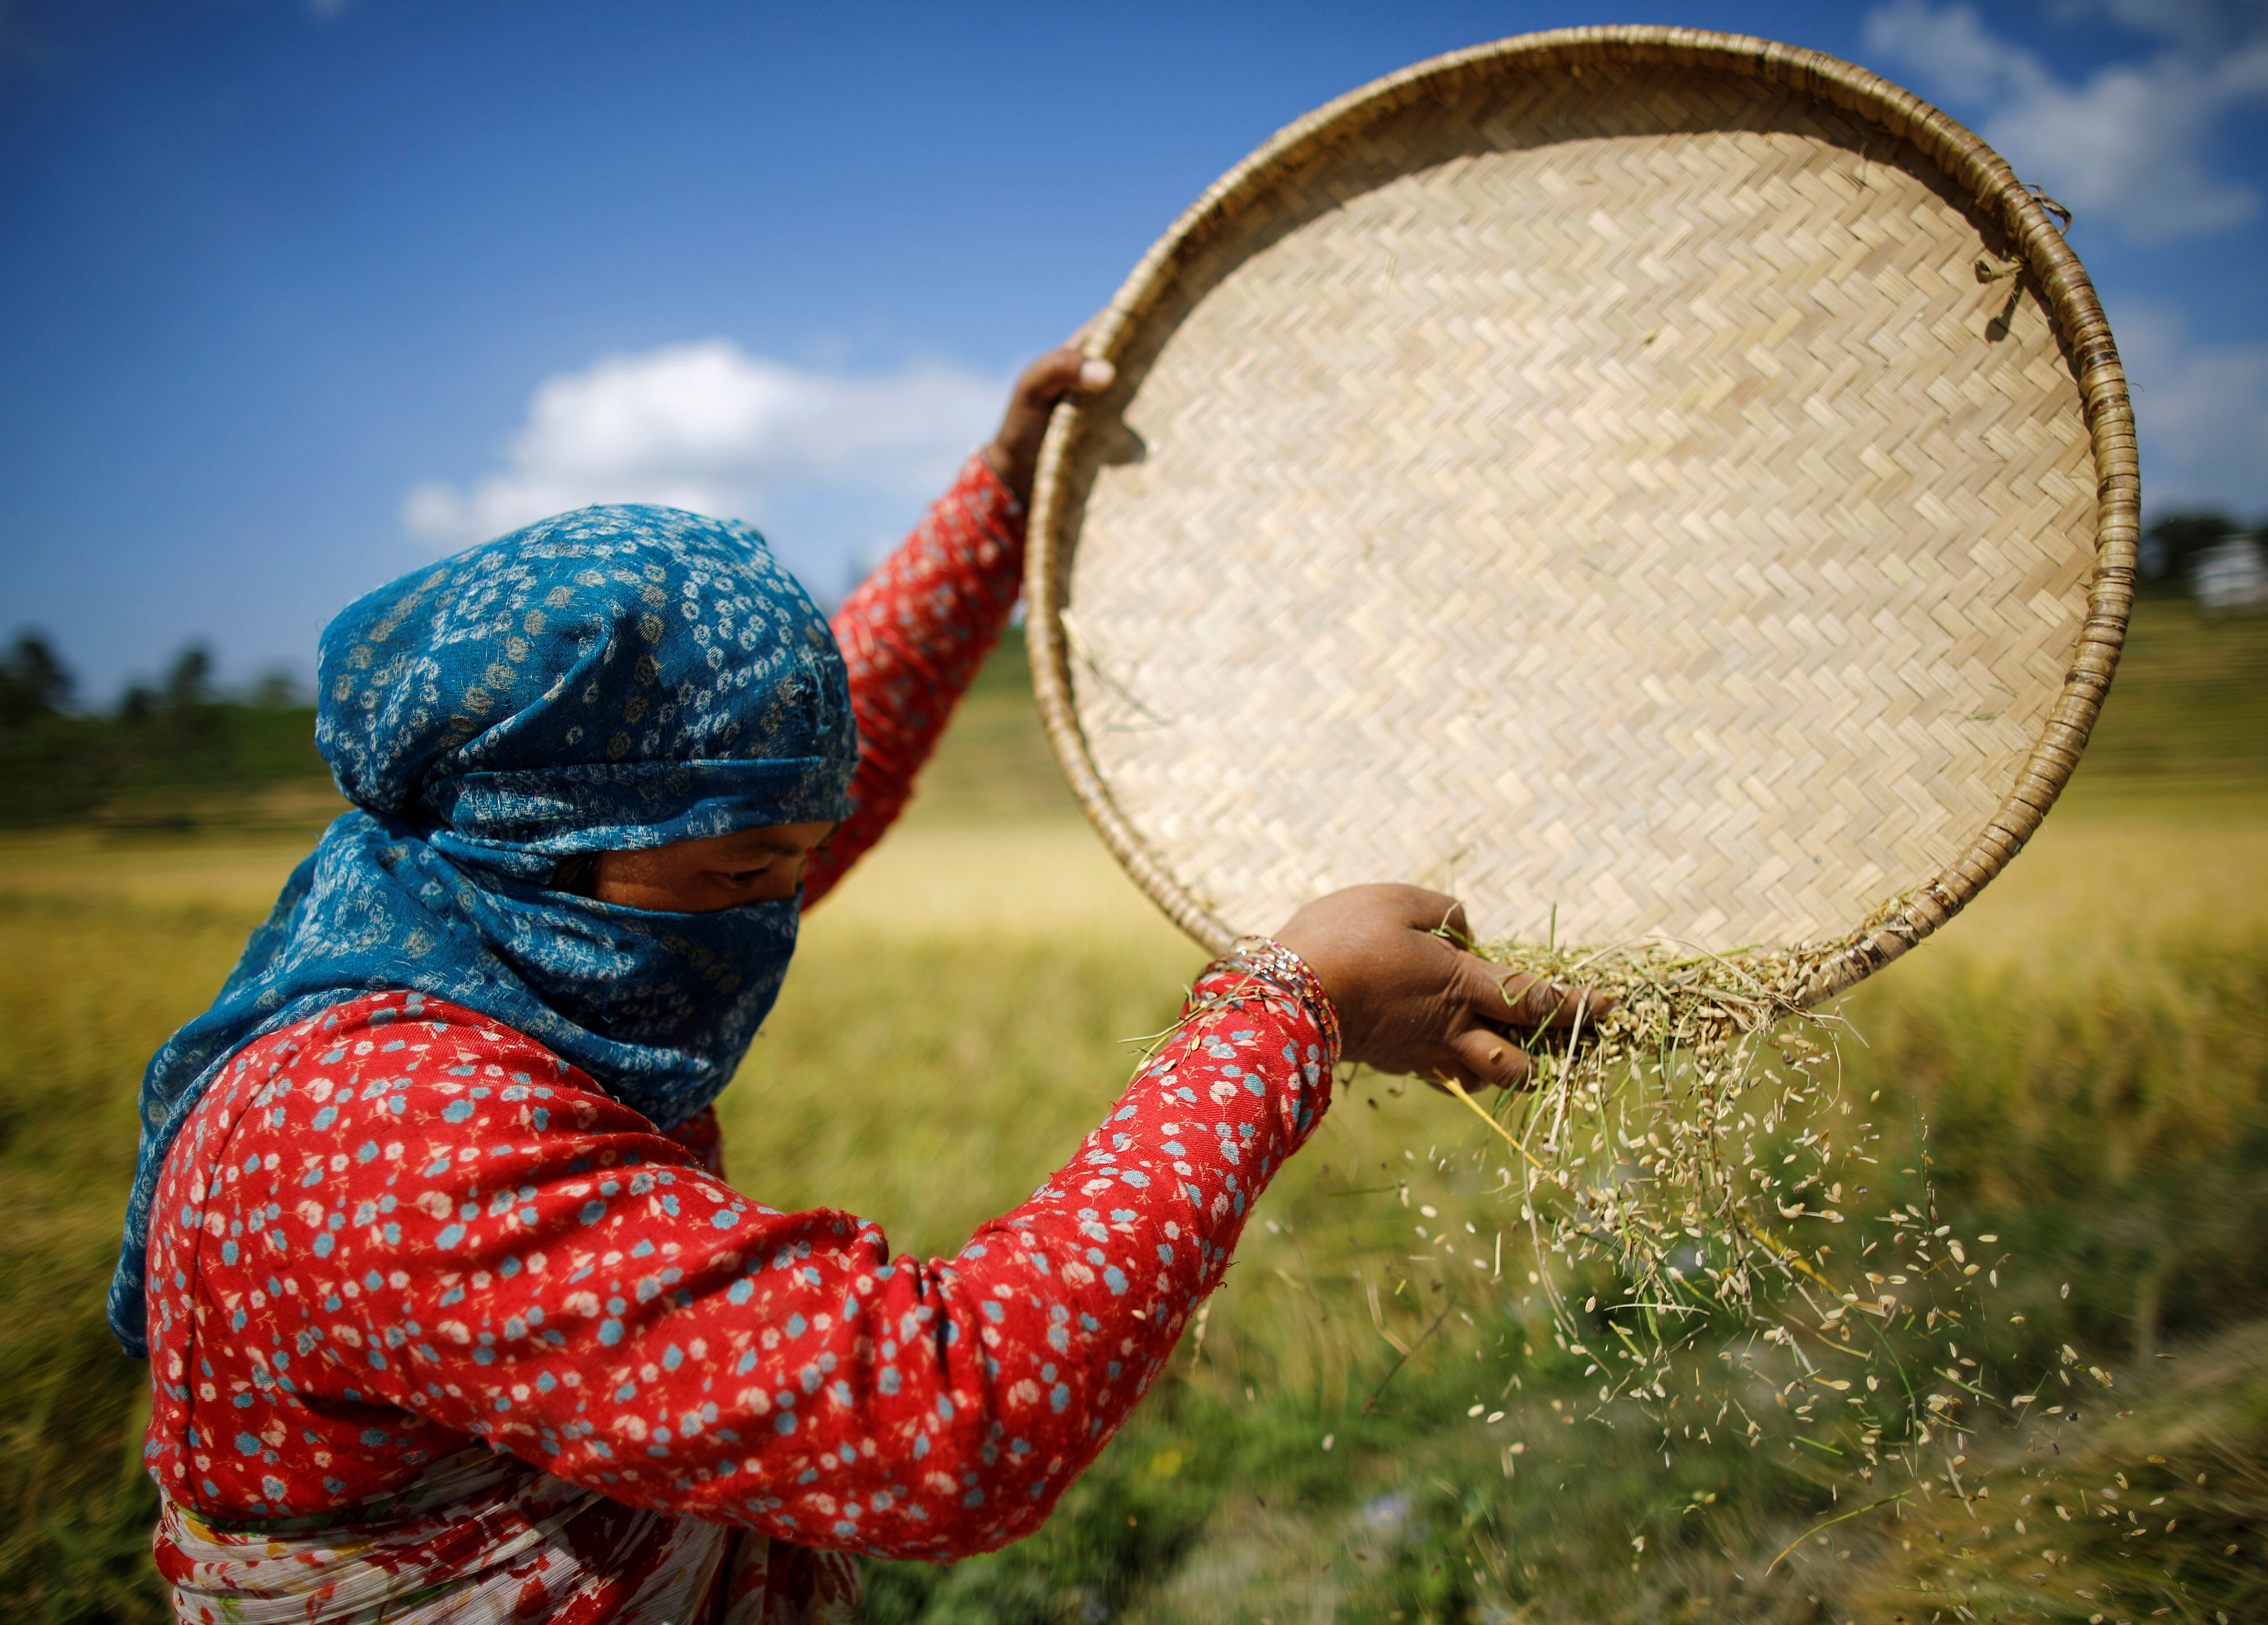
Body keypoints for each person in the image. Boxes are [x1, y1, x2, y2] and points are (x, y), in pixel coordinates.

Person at [113, 338, 1597, 1623]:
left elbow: (793, 768)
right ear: (552, 835)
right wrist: (1290, 1015)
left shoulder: (441, 885)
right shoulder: (390, 1138)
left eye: (795, 863)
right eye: (741, 878)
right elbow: (939, 1426)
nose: (775, 916)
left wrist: (1007, 496)